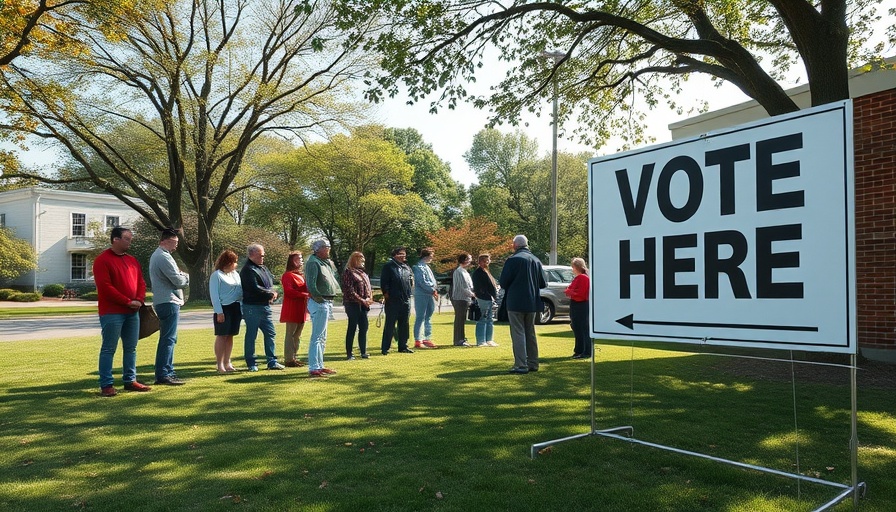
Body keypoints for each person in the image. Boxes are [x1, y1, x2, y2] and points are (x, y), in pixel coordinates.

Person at [93, 226, 151, 396]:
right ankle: (106, 385)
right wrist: (127, 301)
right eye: (127, 238)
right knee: (109, 348)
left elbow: (141, 282)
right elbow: (105, 288)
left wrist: (139, 300)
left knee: (131, 348)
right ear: (115, 239)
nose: (130, 242)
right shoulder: (102, 260)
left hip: (133, 312)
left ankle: (130, 380)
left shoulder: (132, 260)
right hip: (112, 312)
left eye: (130, 238)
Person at [499, 235, 547, 374]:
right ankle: (533, 362)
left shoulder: (513, 260)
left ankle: (521, 364)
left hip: (515, 302)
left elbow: (503, 282)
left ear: (515, 245)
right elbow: (543, 283)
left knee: (518, 333)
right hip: (532, 301)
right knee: (530, 332)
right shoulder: (536, 260)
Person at [149, 227, 190, 386]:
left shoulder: (160, 255)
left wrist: (181, 276)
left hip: (165, 300)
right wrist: (186, 278)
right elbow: (177, 280)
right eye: (175, 242)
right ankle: (164, 374)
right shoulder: (163, 257)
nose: (176, 246)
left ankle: (166, 372)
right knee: (168, 339)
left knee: (169, 338)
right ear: (165, 241)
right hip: (168, 301)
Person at [240, 243, 284, 371]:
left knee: (270, 333)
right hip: (252, 307)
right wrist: (269, 293)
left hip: (264, 306)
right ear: (252, 254)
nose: (263, 257)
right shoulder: (248, 269)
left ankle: (272, 361)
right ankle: (251, 363)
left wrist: (273, 292)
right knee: (251, 335)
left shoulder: (262, 268)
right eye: (260, 255)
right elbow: (253, 288)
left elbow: (270, 283)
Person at [305, 239, 340, 377]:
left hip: (326, 301)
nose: (329, 250)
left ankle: (319, 365)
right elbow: (311, 284)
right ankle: (314, 367)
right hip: (320, 302)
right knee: (317, 336)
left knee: (322, 337)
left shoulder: (324, 262)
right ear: (318, 249)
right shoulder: (313, 262)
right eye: (326, 247)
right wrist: (319, 298)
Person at [209, 249, 242, 373]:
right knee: (222, 336)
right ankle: (220, 364)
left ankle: (228, 362)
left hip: (235, 307)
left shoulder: (235, 274)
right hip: (224, 308)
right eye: (234, 262)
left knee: (230, 336)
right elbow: (214, 295)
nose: (236, 264)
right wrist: (219, 312)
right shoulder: (217, 275)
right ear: (228, 262)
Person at [380, 246, 415, 355]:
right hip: (393, 300)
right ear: (395, 255)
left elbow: (410, 280)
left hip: (405, 299)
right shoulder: (389, 267)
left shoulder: (406, 267)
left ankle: (403, 346)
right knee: (390, 324)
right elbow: (384, 283)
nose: (403, 255)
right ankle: (386, 347)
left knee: (404, 324)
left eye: (404, 253)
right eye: (401, 253)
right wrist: (386, 296)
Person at [341, 251, 374, 360]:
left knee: (364, 327)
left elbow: (368, 288)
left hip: (364, 304)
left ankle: (363, 352)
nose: (363, 262)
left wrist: (369, 298)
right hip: (352, 304)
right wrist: (361, 300)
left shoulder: (363, 273)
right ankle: (349, 353)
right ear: (355, 260)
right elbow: (349, 290)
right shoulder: (348, 272)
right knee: (352, 327)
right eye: (361, 260)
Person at [280, 251, 310, 368]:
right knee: (290, 334)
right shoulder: (288, 275)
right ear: (293, 261)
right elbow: (289, 291)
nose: (301, 261)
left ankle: (294, 357)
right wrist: (305, 295)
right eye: (299, 259)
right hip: (292, 308)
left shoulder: (300, 275)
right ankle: (289, 359)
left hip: (301, 309)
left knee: (297, 335)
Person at [412, 248, 439, 349]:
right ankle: (418, 340)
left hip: (429, 295)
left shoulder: (426, 267)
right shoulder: (418, 267)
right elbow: (421, 282)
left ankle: (427, 338)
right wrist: (432, 290)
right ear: (426, 255)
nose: (432, 257)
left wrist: (433, 290)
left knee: (428, 317)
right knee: (420, 317)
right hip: (421, 294)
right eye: (432, 255)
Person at [565, 257, 592, 359]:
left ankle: (586, 351)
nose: (572, 269)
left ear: (577, 267)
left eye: (573, 267)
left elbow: (580, 294)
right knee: (576, 327)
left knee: (582, 328)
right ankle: (578, 350)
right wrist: (570, 291)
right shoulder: (578, 278)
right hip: (576, 304)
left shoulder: (583, 278)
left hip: (581, 305)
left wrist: (570, 291)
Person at [471, 253, 499, 347]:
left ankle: (489, 339)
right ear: (479, 262)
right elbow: (478, 287)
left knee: (490, 319)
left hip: (490, 299)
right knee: (482, 319)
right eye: (484, 261)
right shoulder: (478, 273)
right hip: (483, 299)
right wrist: (485, 294)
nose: (486, 262)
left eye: (487, 260)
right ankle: (481, 340)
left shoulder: (487, 271)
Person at [450, 253, 475, 346]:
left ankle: (461, 338)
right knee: (459, 320)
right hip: (459, 298)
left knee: (462, 319)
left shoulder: (465, 271)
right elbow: (462, 287)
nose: (470, 260)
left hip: (465, 298)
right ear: (464, 260)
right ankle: (458, 340)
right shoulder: (458, 271)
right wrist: (472, 294)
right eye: (469, 258)